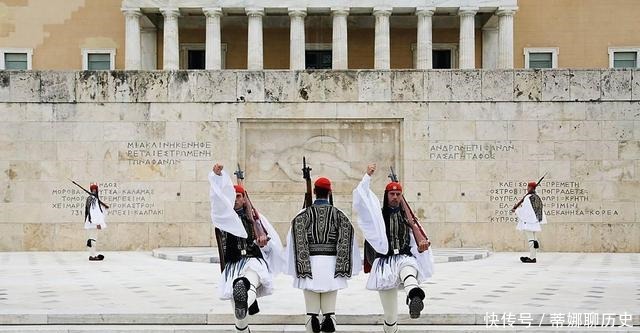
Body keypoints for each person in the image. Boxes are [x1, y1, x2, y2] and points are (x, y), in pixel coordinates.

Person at [352, 164, 434, 333]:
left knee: (409, 271)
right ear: (386, 195)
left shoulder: (409, 219)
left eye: (398, 194)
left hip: (404, 258)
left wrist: (421, 247)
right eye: (392, 194)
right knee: (390, 316)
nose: (395, 197)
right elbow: (362, 201)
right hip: (385, 263)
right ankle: (391, 327)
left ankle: (414, 296)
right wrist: (367, 176)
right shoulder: (378, 217)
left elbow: (415, 244)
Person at [209, 163, 286, 333]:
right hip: (233, 265)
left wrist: (263, 243)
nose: (236, 199)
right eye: (233, 196)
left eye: (238, 196)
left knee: (248, 284)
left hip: (253, 262)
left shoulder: (257, 219)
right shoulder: (225, 219)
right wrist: (217, 177)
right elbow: (216, 200)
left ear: (244, 199)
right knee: (239, 314)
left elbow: (271, 249)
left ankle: (242, 291)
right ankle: (242, 327)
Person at [286, 176, 361, 333]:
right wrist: (344, 267)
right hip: (331, 266)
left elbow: (293, 241)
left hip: (309, 266)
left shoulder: (302, 215)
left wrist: (298, 268)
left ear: (314, 192)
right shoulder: (339, 215)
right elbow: (348, 239)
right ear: (330, 192)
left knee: (311, 314)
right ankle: (329, 320)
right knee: (329, 314)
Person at [512, 181, 547, 263]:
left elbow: (526, 211)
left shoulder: (528, 198)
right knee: (534, 240)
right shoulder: (537, 197)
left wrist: (516, 210)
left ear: (531, 188)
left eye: (528, 187)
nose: (527, 188)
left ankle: (532, 258)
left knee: (531, 240)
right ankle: (533, 256)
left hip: (529, 222)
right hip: (535, 222)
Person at [84, 183, 108, 261]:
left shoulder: (90, 198)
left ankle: (92, 254)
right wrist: (97, 223)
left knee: (91, 238)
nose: (95, 191)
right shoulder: (94, 199)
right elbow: (94, 212)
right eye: (94, 190)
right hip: (93, 222)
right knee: (93, 239)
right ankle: (92, 256)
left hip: (90, 221)